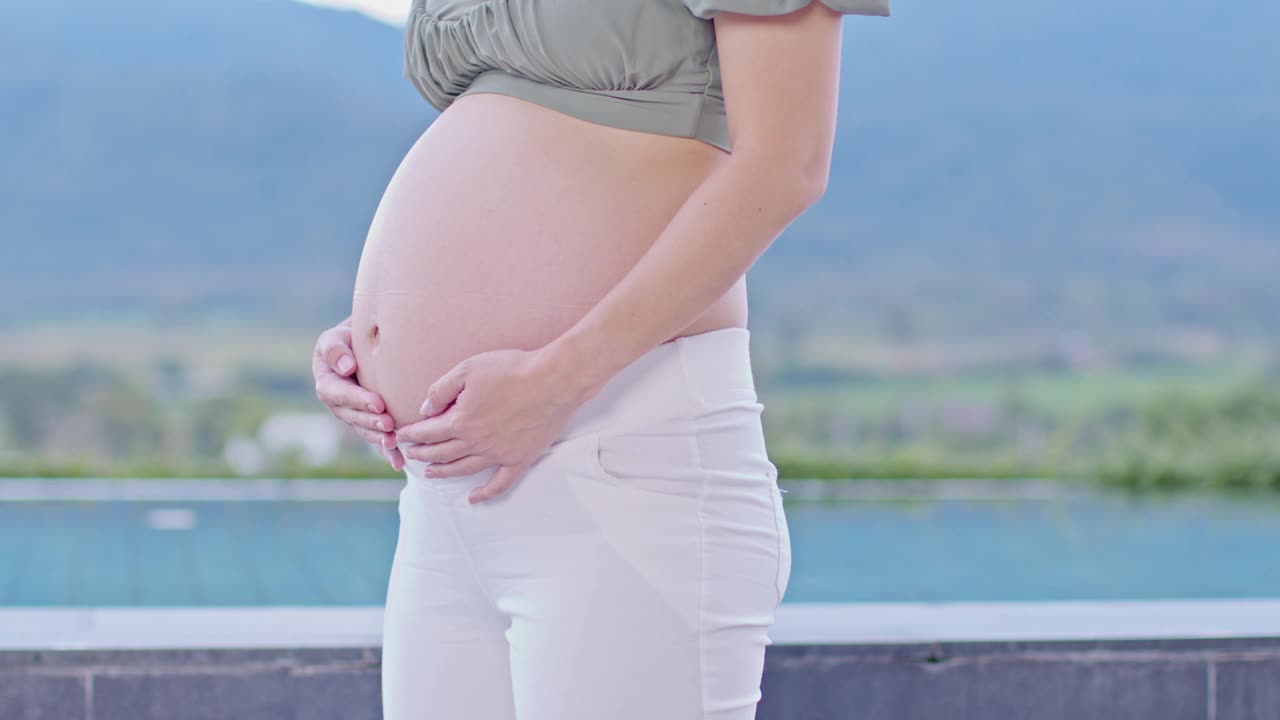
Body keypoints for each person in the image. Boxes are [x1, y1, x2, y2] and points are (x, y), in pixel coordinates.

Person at [312, 0, 889, 717]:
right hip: (446, 496)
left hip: (624, 461)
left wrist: (557, 378)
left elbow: (787, 164)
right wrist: (373, 335)